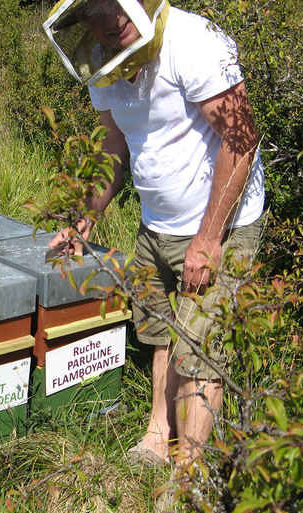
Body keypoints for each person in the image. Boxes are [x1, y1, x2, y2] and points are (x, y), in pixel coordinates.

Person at [43, 0, 266, 468]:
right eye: (94, 19)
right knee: (160, 334)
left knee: (198, 351)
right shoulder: (103, 60)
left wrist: (209, 240)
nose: (107, 26)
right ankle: (156, 436)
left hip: (218, 225)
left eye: (113, 13)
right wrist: (86, 215)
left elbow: (242, 139)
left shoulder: (194, 43)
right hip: (156, 223)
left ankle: (190, 473)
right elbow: (114, 143)